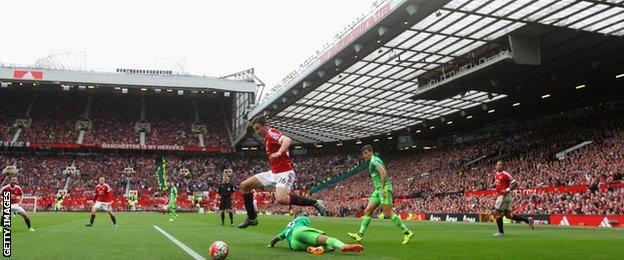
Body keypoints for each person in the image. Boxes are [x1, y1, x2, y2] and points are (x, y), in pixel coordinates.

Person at [238, 116, 327, 229]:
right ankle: (251, 218)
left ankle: (315, 203)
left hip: (285, 173)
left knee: (281, 199)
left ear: (265, 125)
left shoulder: (271, 133)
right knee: (244, 186)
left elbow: (287, 140)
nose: (256, 132)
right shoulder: (266, 138)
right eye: (255, 129)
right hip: (272, 174)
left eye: (258, 128)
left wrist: (280, 152)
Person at [347, 145, 414, 244]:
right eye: (363, 154)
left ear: (371, 152)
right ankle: (359, 235)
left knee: (388, 213)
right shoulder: (371, 162)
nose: (364, 155)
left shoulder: (374, 161)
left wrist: (382, 189)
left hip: (384, 189)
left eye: (366, 153)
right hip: (377, 190)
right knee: (367, 211)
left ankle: (407, 232)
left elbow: (383, 173)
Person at [268, 212, 363, 255]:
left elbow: (274, 239)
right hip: (300, 232)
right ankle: (343, 245)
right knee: (326, 240)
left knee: (327, 246)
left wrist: (271, 245)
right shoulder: (302, 218)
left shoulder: (287, 228)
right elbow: (308, 230)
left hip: (294, 245)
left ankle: (318, 249)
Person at [492, 161, 534, 237]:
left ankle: (501, 232)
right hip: (501, 196)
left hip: (504, 196)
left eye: (500, 165)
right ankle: (528, 220)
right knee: (508, 215)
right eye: (497, 165)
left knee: (497, 213)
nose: (498, 166)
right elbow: (496, 184)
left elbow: (515, 183)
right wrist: (495, 185)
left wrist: (507, 190)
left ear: (503, 166)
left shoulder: (506, 174)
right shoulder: (495, 175)